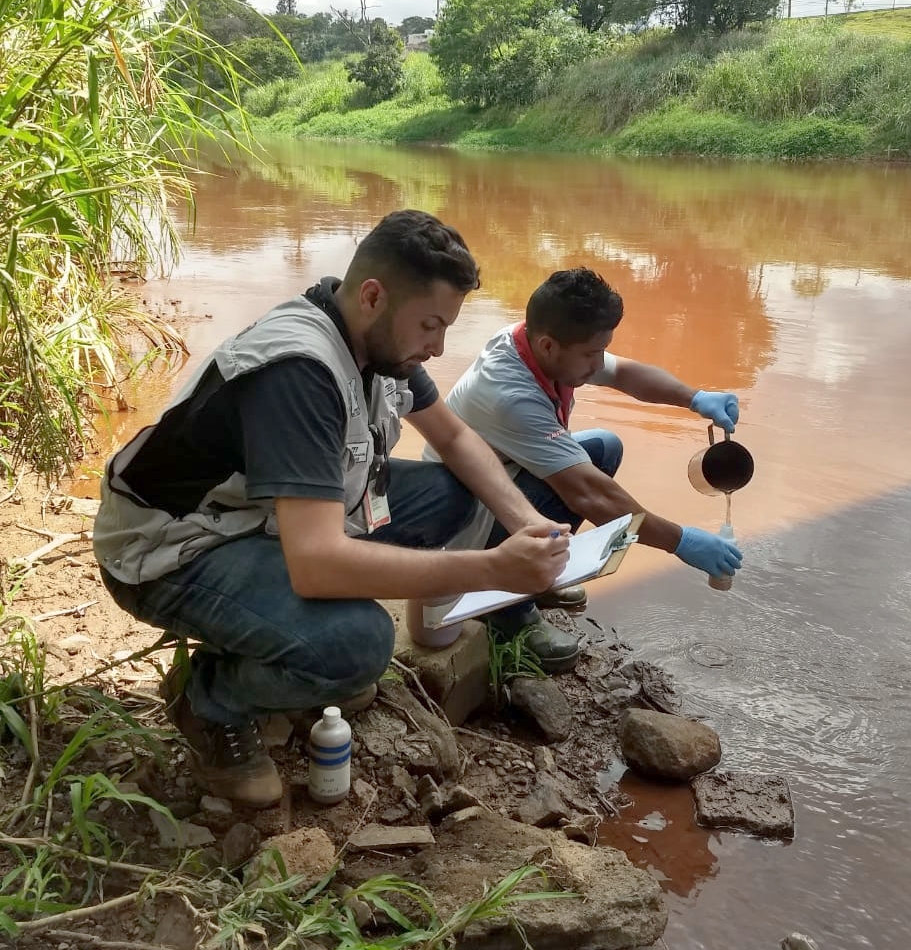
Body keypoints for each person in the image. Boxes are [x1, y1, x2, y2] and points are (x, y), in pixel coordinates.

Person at [93, 211, 571, 808]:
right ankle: (210, 701)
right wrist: (494, 569)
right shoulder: (301, 372)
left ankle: (275, 640)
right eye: (430, 325)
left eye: (446, 328)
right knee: (359, 646)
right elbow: (317, 563)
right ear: (373, 295)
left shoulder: (372, 340)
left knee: (456, 491)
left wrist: (526, 520)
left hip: (265, 519)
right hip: (174, 549)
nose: (439, 347)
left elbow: (454, 438)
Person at [429, 267, 743, 666]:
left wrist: (695, 397)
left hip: (501, 476)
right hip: (461, 512)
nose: (597, 365)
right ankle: (508, 614)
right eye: (591, 354)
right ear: (548, 346)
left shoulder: (539, 343)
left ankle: (535, 578)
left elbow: (625, 373)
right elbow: (589, 494)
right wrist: (681, 541)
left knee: (603, 448)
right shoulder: (511, 395)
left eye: (601, 350)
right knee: (582, 481)